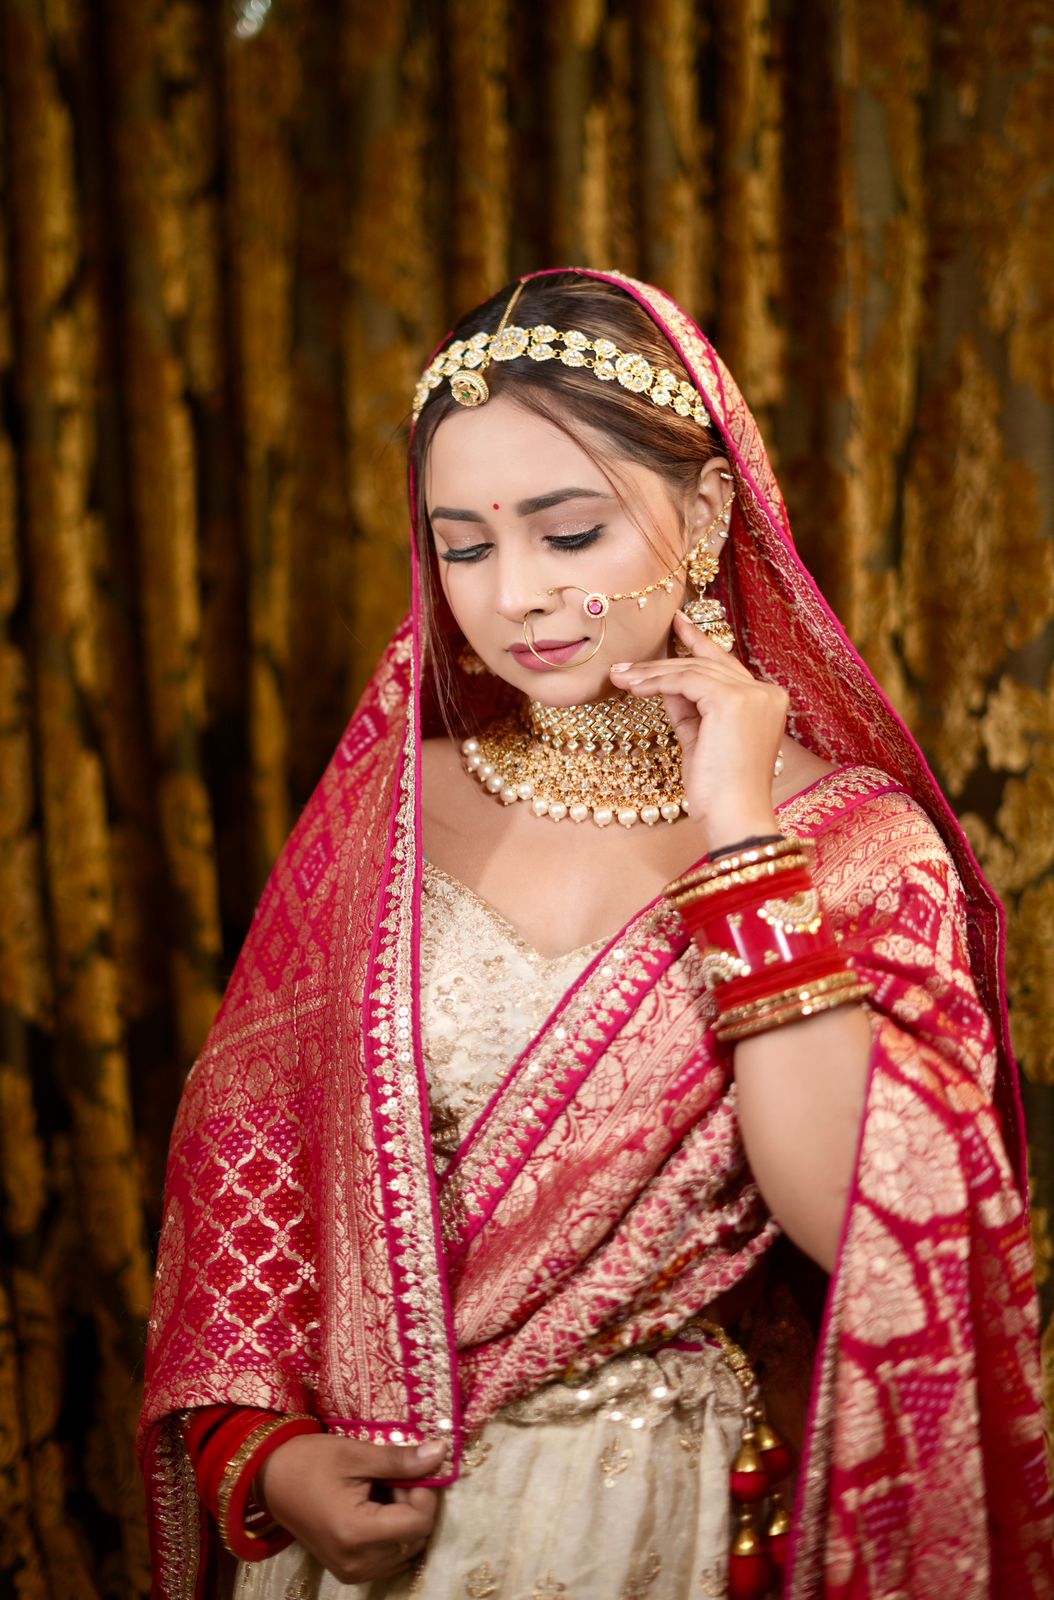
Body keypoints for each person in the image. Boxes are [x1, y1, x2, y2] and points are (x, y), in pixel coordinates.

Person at [139, 268, 1054, 1600]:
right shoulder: (391, 813)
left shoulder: (851, 847)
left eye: (569, 533)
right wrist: (266, 1458)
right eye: (463, 546)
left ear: (707, 513)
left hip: (643, 1516)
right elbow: (248, 1187)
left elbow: (859, 1221)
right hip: (368, 1529)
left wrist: (738, 839)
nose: (514, 592)